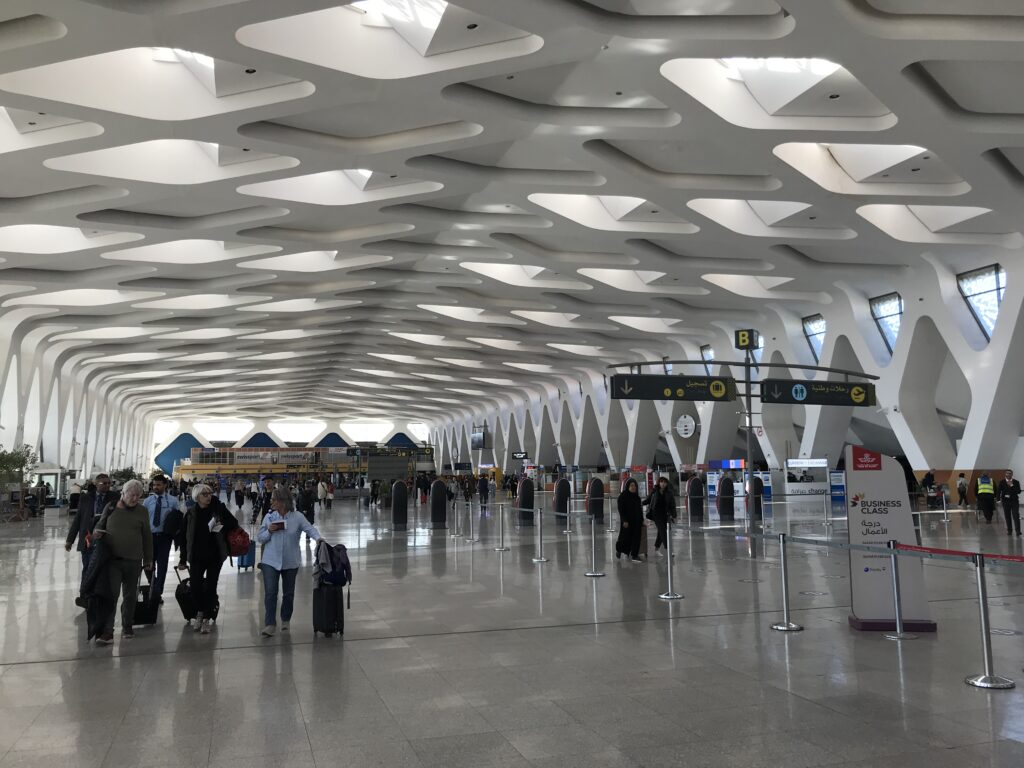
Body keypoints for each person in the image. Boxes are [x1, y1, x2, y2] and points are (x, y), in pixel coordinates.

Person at [91, 479, 153, 644]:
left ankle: (127, 625)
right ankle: (108, 631)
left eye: (138, 496)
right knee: (112, 595)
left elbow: (147, 536)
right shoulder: (111, 507)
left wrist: (148, 559)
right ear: (123, 493)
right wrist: (96, 532)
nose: (134, 499)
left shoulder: (142, 511)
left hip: (134, 560)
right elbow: (100, 524)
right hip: (113, 560)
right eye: (132, 495)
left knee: (130, 595)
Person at [257, 486, 321, 636]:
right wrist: (269, 531)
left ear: (283, 501)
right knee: (271, 593)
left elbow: (309, 529)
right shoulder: (269, 517)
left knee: (288, 593)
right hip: (270, 561)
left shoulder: (297, 516)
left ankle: (285, 620)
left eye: (274, 499)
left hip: (290, 561)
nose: (271, 502)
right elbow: (260, 538)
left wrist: (318, 539)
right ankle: (270, 624)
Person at [177, 483, 239, 633]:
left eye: (210, 493)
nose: (208, 496)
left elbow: (234, 523)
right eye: (205, 494)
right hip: (196, 556)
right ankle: (199, 611)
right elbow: (185, 538)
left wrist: (221, 523)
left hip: (214, 555)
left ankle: (206, 617)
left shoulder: (218, 509)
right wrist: (182, 559)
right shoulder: (191, 514)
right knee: (196, 587)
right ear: (197, 497)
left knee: (211, 587)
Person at [65, 473, 118, 604]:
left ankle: (98, 596)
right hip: (87, 538)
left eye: (108, 483)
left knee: (101, 569)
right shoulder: (86, 498)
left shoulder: (115, 498)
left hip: (105, 538)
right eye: (103, 483)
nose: (106, 485)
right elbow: (78, 519)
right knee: (88, 567)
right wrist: (70, 540)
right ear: (95, 483)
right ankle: (84, 595)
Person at [142, 474, 181, 605]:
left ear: (165, 485)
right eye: (154, 485)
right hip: (150, 537)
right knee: (148, 564)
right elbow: (143, 520)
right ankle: (153, 586)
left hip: (165, 537)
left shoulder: (173, 501)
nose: (156, 487)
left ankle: (158, 592)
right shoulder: (147, 501)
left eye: (158, 484)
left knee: (162, 564)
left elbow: (177, 518)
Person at [644, 476, 676, 554]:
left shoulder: (669, 493)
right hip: (656, 514)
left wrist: (673, 514)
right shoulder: (654, 491)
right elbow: (648, 500)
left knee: (661, 532)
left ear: (667, 483)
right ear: (659, 483)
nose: (663, 484)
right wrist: (639, 503)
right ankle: (668, 549)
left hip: (665, 514)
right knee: (663, 531)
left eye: (664, 482)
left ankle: (656, 547)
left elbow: (672, 505)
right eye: (661, 482)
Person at [615, 478, 644, 562]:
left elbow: (640, 510)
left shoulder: (637, 497)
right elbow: (621, 509)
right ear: (627, 486)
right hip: (626, 522)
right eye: (631, 485)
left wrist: (642, 520)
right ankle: (619, 550)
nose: (633, 487)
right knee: (624, 537)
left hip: (637, 522)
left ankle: (634, 555)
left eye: (634, 486)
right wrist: (624, 520)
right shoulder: (623, 496)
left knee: (636, 538)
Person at [996, 469, 1021, 537]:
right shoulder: (1002, 482)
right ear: (1005, 474)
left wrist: (1012, 485)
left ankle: (1018, 531)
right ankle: (1009, 531)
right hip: (1006, 501)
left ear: (1012, 474)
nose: (1008, 474)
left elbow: (1018, 491)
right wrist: (998, 500)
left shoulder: (1016, 482)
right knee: (1007, 516)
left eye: (1010, 473)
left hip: (1014, 501)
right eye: (1007, 473)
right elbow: (998, 491)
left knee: (1016, 515)